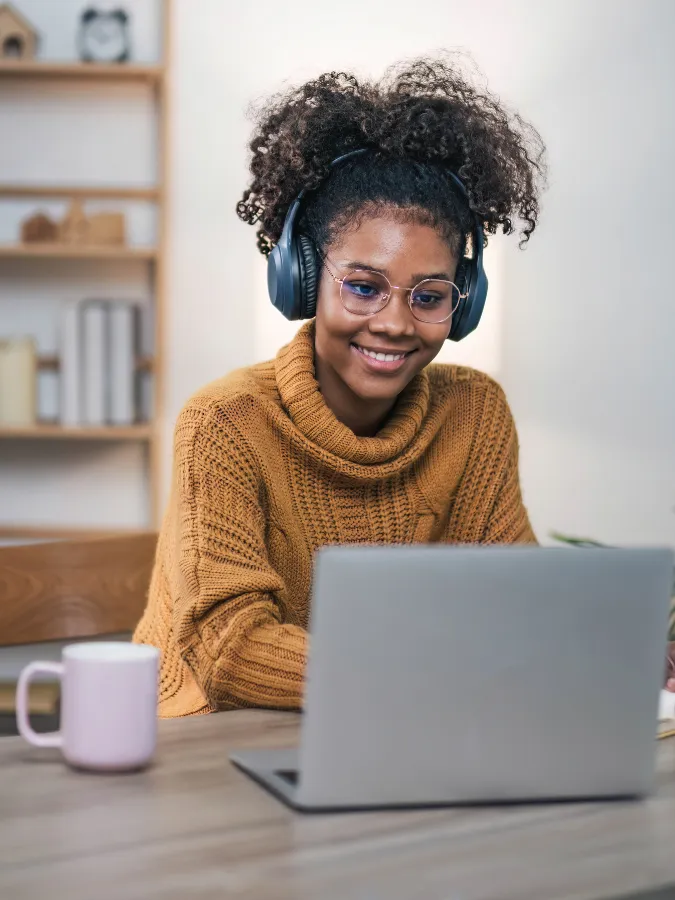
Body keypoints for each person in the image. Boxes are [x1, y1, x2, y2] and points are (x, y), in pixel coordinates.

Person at [133, 57, 674, 717]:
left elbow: (518, 600)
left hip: (400, 727)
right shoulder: (225, 423)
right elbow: (229, 650)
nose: (392, 323)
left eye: (429, 296)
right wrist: (437, 674)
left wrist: (618, 648)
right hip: (208, 746)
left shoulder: (473, 414)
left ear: (464, 302)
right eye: (362, 286)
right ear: (299, 278)